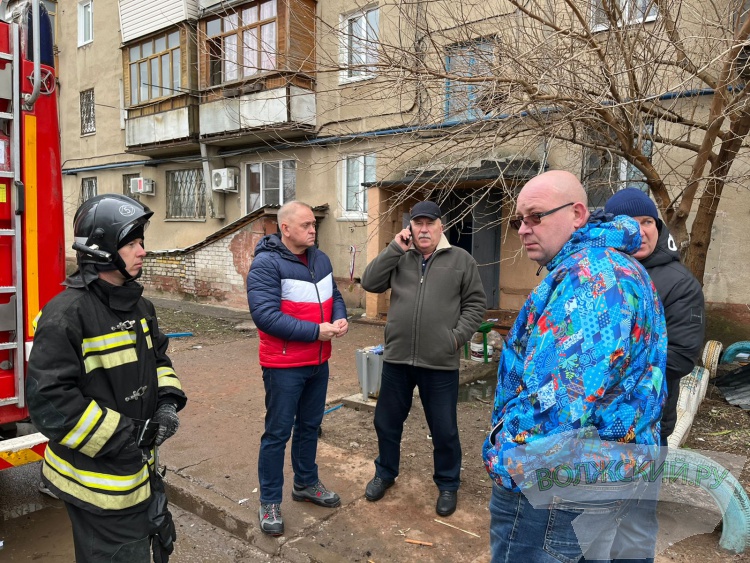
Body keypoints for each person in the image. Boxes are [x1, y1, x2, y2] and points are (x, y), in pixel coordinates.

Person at [482, 171, 667, 562]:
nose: (523, 229)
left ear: (577, 214)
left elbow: (560, 403)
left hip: (554, 487)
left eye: (535, 217)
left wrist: (504, 458)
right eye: (519, 220)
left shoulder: (591, 278)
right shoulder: (615, 266)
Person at [26, 194, 187, 562]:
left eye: (141, 241)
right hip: (96, 487)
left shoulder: (140, 307)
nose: (142, 251)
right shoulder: (66, 315)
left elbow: (158, 360)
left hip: (136, 473)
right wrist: (129, 436)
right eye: (131, 243)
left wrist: (166, 405)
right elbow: (51, 404)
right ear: (101, 250)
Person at [360, 201, 486, 517]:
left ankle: (448, 484)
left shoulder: (461, 260)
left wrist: (454, 338)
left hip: (439, 362)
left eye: (430, 223)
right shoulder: (400, 257)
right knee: (386, 422)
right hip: (398, 359)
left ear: (441, 226)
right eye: (418, 223)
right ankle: (385, 473)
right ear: (411, 228)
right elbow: (370, 282)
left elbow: (475, 305)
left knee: (444, 429)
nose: (424, 229)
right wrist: (393, 248)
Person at [247, 200, 349, 536]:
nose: (312, 229)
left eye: (313, 224)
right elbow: (266, 316)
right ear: (285, 228)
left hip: (318, 362)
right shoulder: (266, 264)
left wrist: (339, 316)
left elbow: (334, 295)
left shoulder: (320, 259)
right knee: (277, 433)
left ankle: (305, 483)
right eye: (306, 225)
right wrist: (315, 331)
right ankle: (270, 501)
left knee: (309, 426)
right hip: (284, 365)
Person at [605, 187, 705, 446]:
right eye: (628, 223)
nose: (640, 231)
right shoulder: (594, 273)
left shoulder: (680, 284)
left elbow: (680, 357)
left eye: (647, 222)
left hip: (645, 426)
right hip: (589, 424)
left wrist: (606, 364)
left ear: (657, 227)